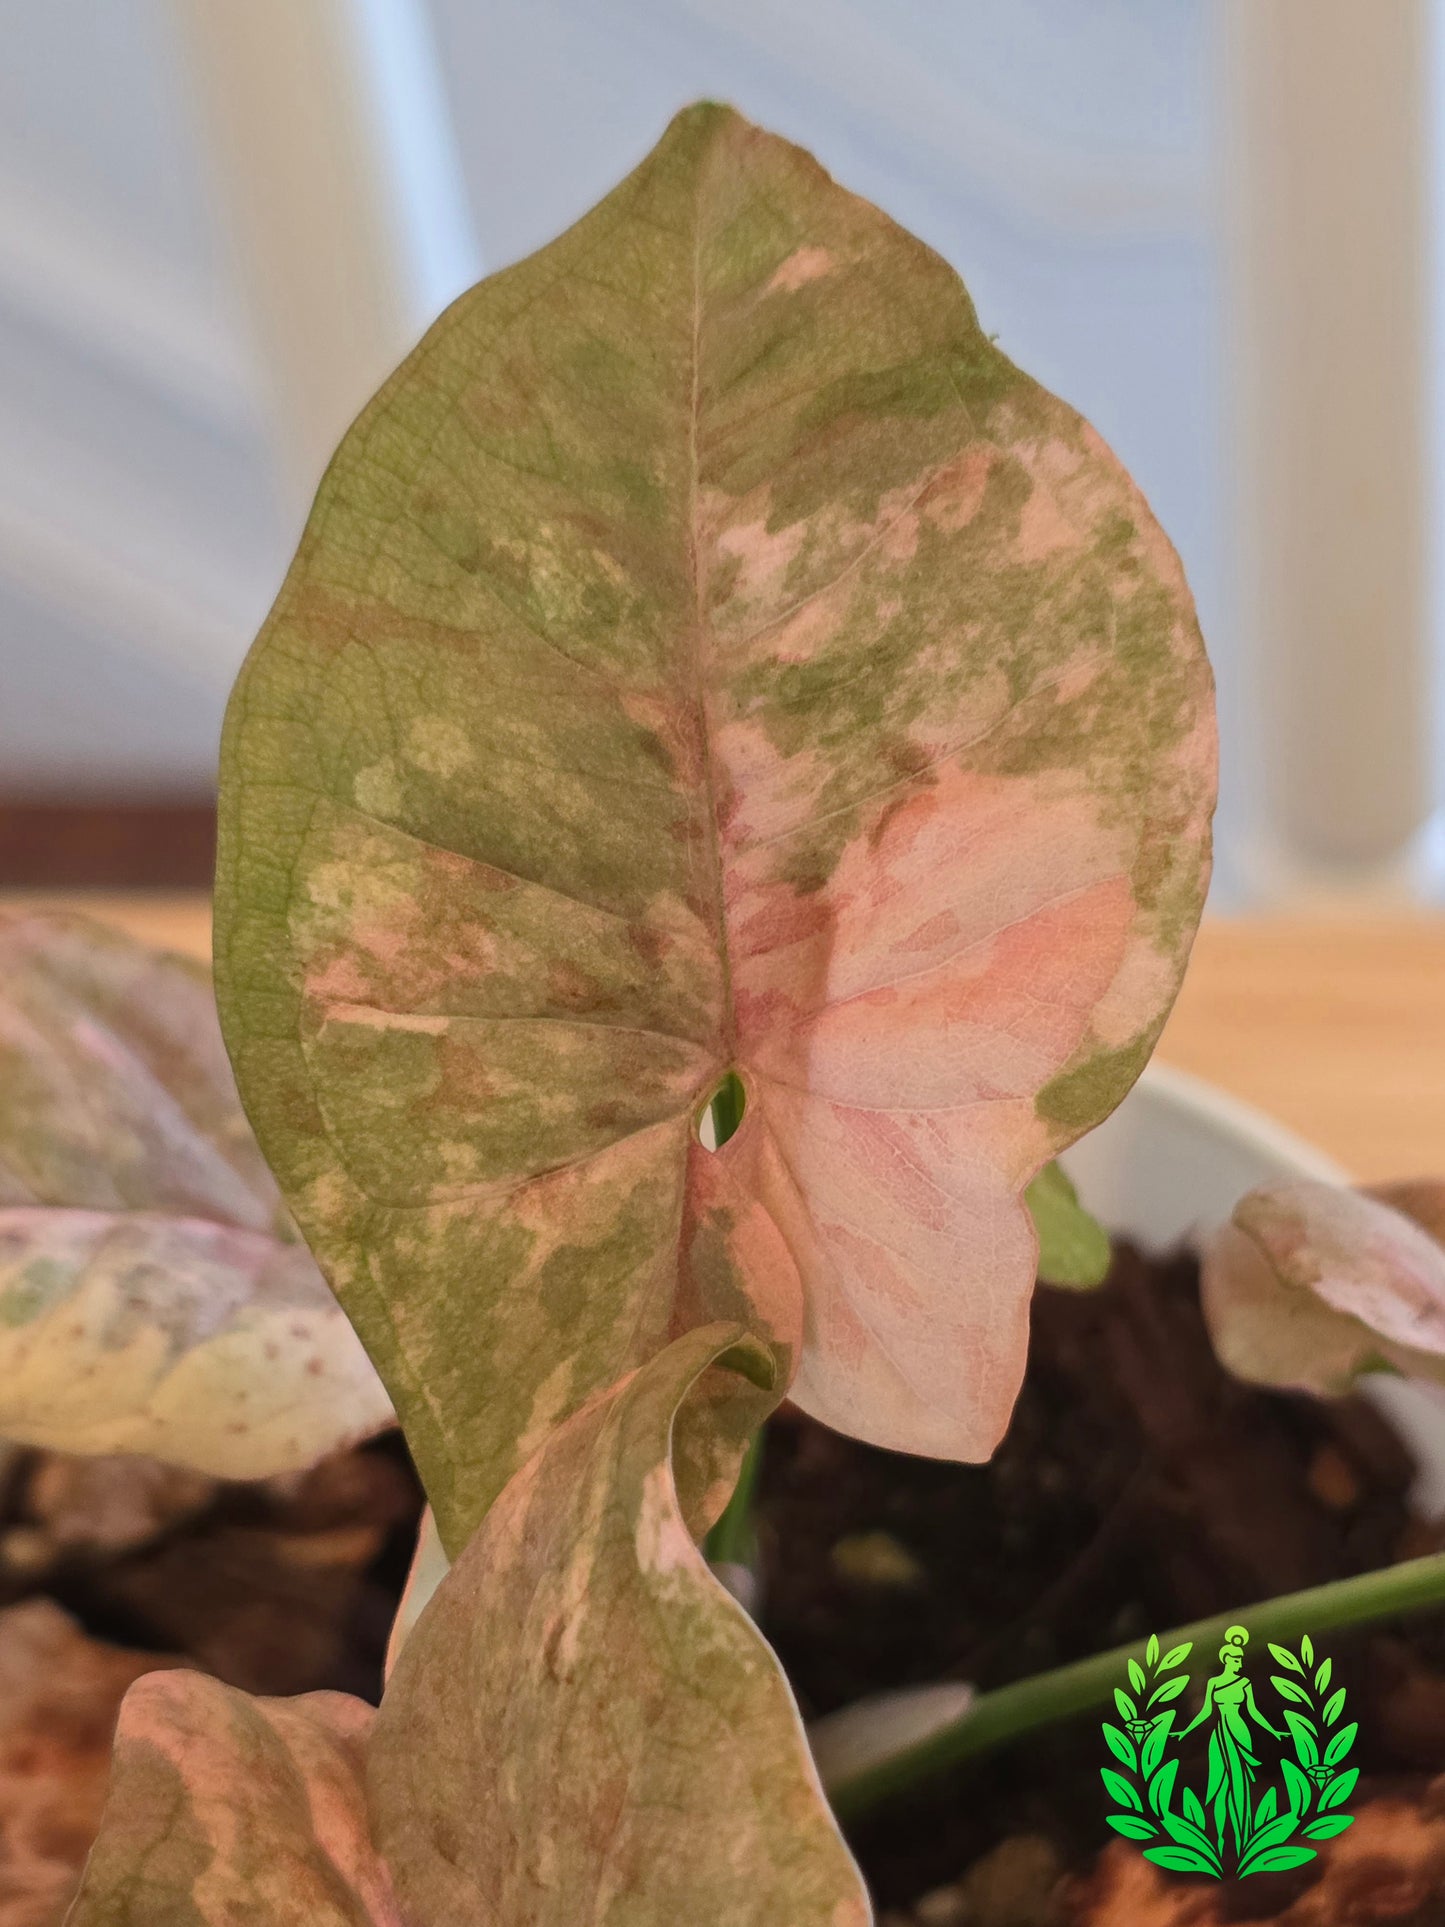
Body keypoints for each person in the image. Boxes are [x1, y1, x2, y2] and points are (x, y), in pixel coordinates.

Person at [1177, 1625, 1283, 1853]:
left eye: (1237, 1659)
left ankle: (1250, 1836)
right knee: (1220, 1784)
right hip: (1221, 1734)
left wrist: (1274, 1732)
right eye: (1232, 1659)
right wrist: (1186, 1733)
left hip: (1240, 1732)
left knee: (1244, 1781)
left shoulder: (1244, 1684)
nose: (1235, 1662)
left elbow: (1253, 1712)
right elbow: (1205, 1712)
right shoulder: (1214, 1684)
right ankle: (1224, 1842)